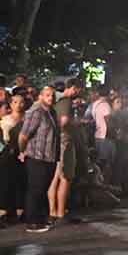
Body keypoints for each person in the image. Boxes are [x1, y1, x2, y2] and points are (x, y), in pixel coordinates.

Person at [18, 86, 60, 233]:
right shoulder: (36, 111)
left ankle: (40, 219)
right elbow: (23, 135)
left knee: (42, 189)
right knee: (35, 189)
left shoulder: (52, 112)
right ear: (41, 96)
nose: (51, 98)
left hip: (50, 157)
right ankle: (32, 222)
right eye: (47, 95)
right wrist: (22, 151)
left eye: (53, 95)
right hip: (37, 156)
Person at [49, 77, 85, 225]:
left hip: (57, 142)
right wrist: (78, 122)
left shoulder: (57, 101)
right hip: (65, 141)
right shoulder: (66, 102)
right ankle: (60, 212)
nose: (80, 92)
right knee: (66, 177)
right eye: (79, 89)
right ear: (74, 88)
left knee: (55, 178)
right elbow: (63, 121)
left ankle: (53, 211)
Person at [0, 93, 24, 225]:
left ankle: (20, 210)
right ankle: (4, 211)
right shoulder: (5, 121)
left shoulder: (27, 118)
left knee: (21, 181)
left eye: (21, 102)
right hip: (8, 155)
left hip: (24, 154)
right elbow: (4, 141)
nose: (18, 105)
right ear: (10, 104)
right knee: (6, 182)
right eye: (15, 102)